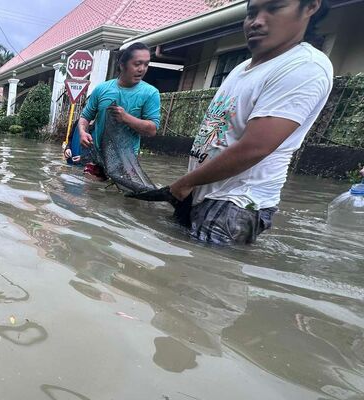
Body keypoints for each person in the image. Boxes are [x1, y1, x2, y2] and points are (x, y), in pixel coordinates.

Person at [133, 0, 332, 245]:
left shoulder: (304, 67)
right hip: (201, 192)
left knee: (200, 267)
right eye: (251, 13)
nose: (257, 21)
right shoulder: (241, 69)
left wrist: (185, 183)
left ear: (310, 7)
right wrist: (189, 185)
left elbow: (255, 148)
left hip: (235, 204)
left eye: (274, 8)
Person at [77, 42, 161, 179]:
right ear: (122, 65)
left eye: (146, 64)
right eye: (137, 64)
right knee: (90, 190)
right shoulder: (102, 89)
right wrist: (82, 132)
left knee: (121, 192)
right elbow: (85, 117)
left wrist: (126, 118)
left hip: (126, 161)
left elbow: (152, 130)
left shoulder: (151, 93)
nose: (142, 69)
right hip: (97, 157)